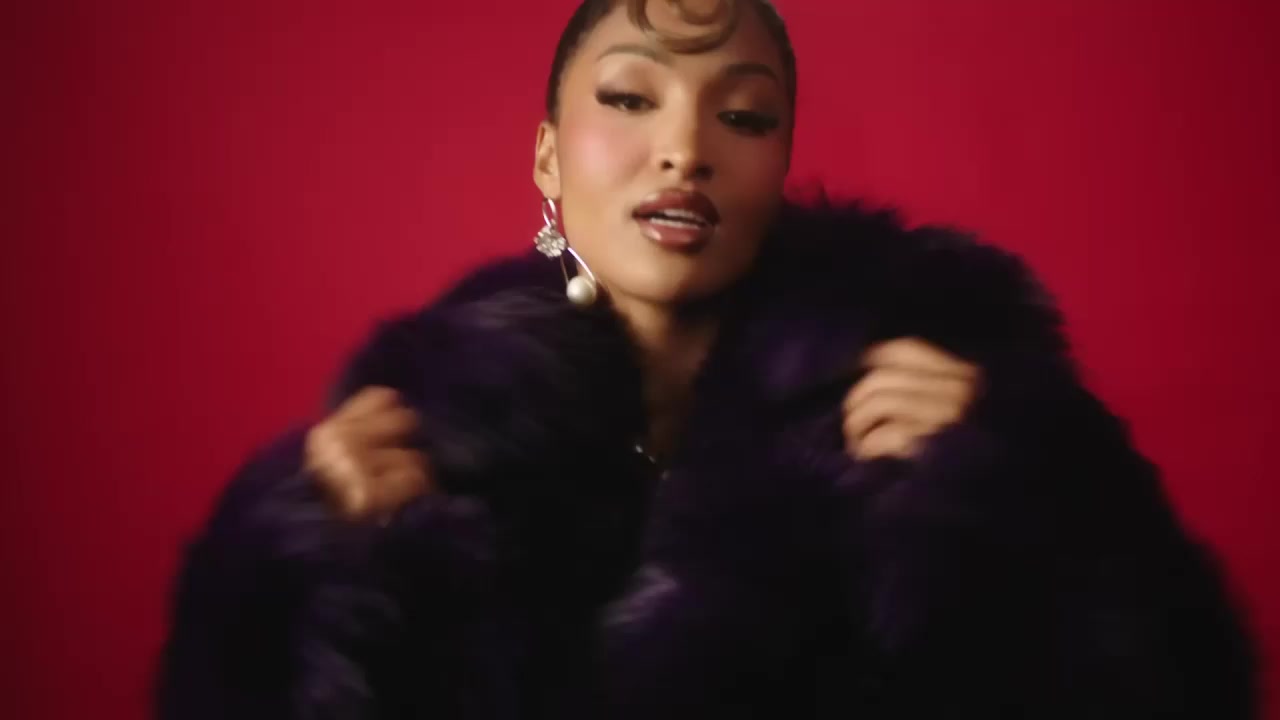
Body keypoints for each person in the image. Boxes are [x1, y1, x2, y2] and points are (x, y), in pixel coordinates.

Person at [156, 0, 1257, 717]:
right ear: (547, 157)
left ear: (781, 161)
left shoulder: (957, 395)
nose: (684, 148)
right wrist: (303, 574)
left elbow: (1180, 686)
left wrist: (1012, 510)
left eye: (744, 116)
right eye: (629, 99)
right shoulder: (417, 435)